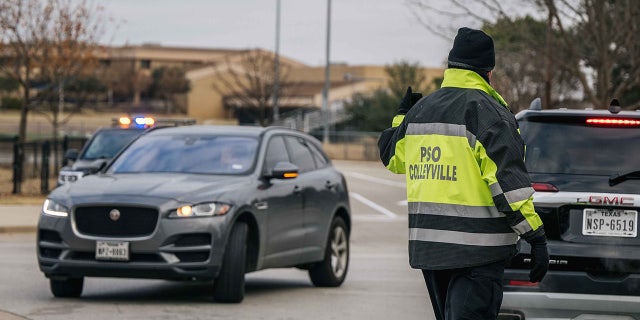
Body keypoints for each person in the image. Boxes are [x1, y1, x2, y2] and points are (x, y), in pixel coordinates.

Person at [378, 27, 549, 320]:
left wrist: (401, 117)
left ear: (451, 65)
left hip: (432, 251)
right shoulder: (489, 113)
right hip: (479, 253)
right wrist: (536, 236)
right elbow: (508, 187)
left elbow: (392, 156)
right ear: (488, 72)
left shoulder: (421, 111)